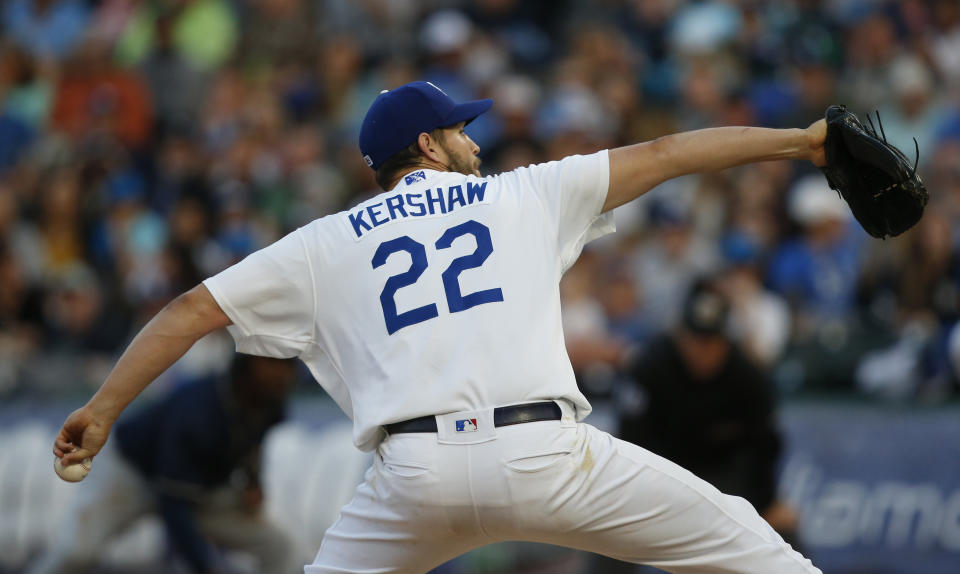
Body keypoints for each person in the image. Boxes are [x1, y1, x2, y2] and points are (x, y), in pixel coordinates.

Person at [52, 80, 827, 573]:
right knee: (755, 553)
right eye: (461, 130)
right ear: (428, 145)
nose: (476, 142)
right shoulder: (523, 194)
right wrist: (801, 142)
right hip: (545, 456)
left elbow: (190, 310)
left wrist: (102, 411)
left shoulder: (323, 243)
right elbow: (665, 153)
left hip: (413, 479)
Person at [33, 353, 298, 574]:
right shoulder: (200, 409)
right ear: (245, 365)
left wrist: (253, 481)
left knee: (278, 546)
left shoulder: (270, 400)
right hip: (130, 473)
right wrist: (204, 565)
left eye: (287, 364)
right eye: (272, 363)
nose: (282, 374)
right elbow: (173, 503)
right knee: (77, 553)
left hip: (195, 489)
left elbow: (253, 445)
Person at [618, 279, 800, 543]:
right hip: (659, 474)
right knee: (609, 529)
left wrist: (766, 501)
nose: (702, 351)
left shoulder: (747, 376)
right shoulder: (651, 366)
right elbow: (630, 437)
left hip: (723, 478)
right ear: (680, 336)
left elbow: (765, 445)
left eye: (711, 341)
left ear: (726, 340)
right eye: (695, 340)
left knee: (784, 529)